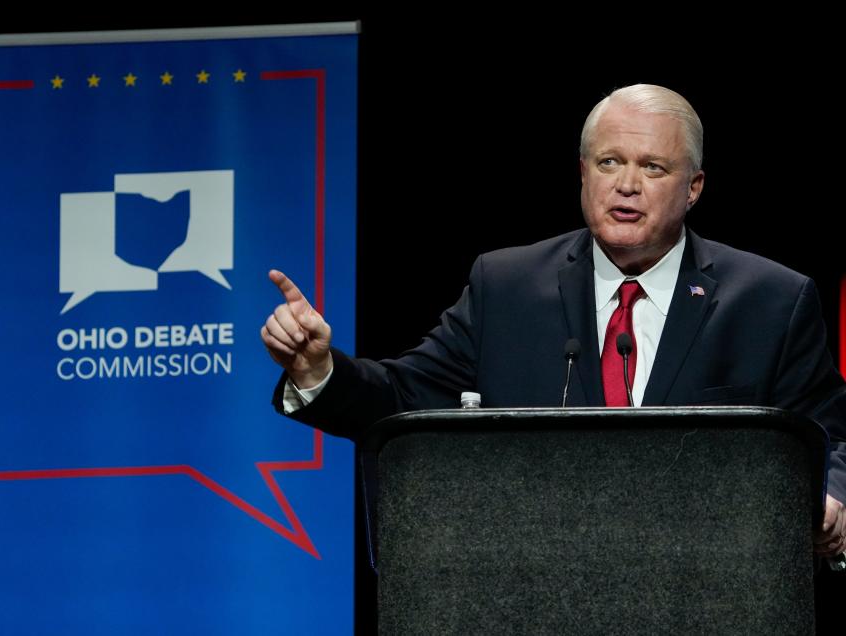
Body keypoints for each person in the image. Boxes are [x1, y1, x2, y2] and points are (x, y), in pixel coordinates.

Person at [260, 84, 846, 558]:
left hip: (715, 588)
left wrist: (834, 496)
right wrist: (319, 370)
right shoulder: (507, 287)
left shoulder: (771, 298)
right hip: (539, 585)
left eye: (654, 167)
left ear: (693, 187)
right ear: (583, 173)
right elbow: (403, 401)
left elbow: (832, 434)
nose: (627, 185)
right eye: (609, 162)